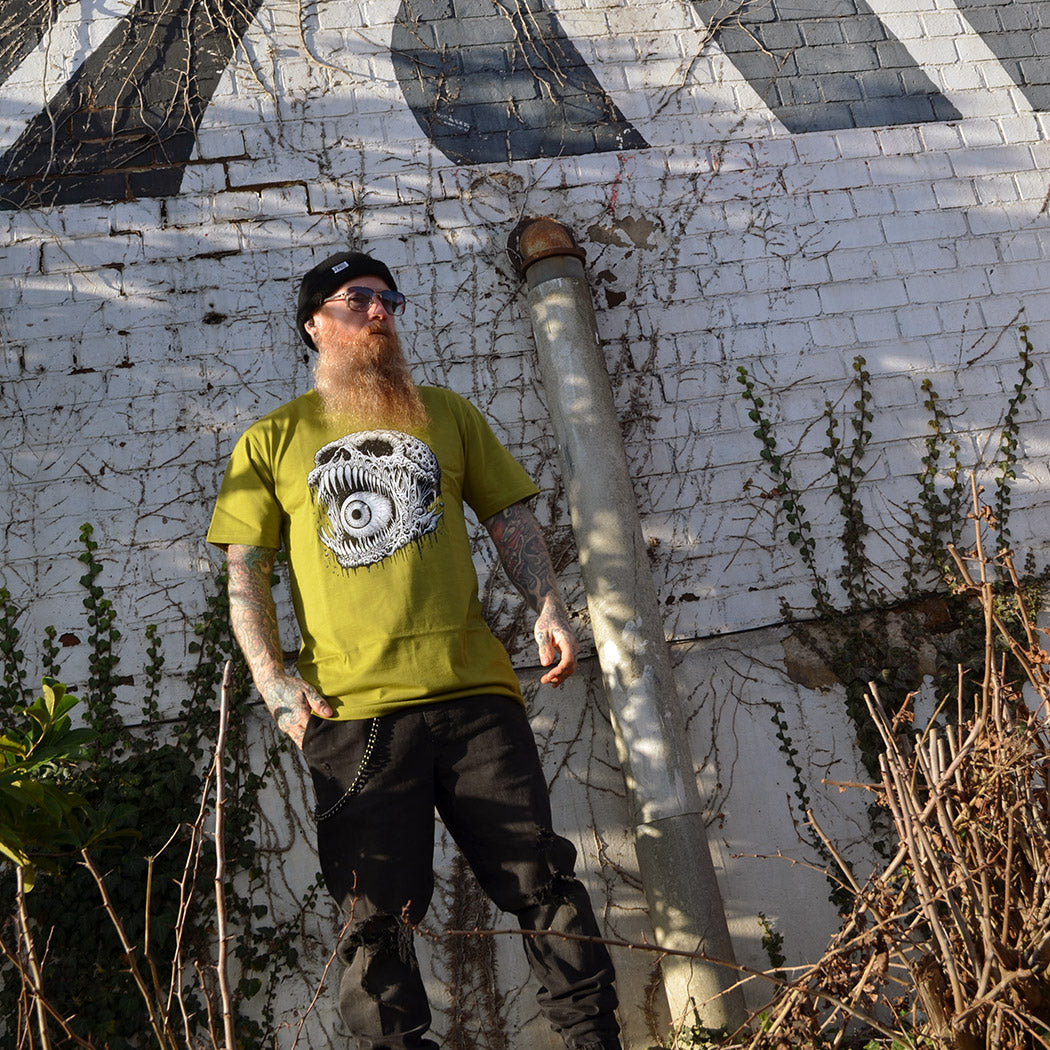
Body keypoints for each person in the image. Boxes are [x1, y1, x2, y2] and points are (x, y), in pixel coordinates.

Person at [207, 251, 622, 1050]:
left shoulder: (447, 413)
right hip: (353, 716)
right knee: (374, 921)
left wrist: (549, 607)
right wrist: (273, 681)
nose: (378, 310)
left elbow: (510, 521)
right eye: (356, 298)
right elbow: (245, 569)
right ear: (313, 323)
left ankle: (592, 1042)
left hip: (473, 696)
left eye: (388, 297)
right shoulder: (273, 440)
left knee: (545, 885)